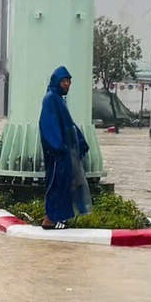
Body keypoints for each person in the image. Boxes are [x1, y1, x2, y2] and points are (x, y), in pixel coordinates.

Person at [38, 66, 91, 229]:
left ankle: (60, 217)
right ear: (57, 81)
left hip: (65, 153)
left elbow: (69, 125)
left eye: (69, 81)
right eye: (64, 81)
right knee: (56, 184)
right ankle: (50, 218)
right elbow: (47, 125)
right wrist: (58, 148)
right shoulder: (51, 99)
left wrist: (80, 143)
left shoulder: (59, 100)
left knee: (66, 184)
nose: (67, 84)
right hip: (58, 155)